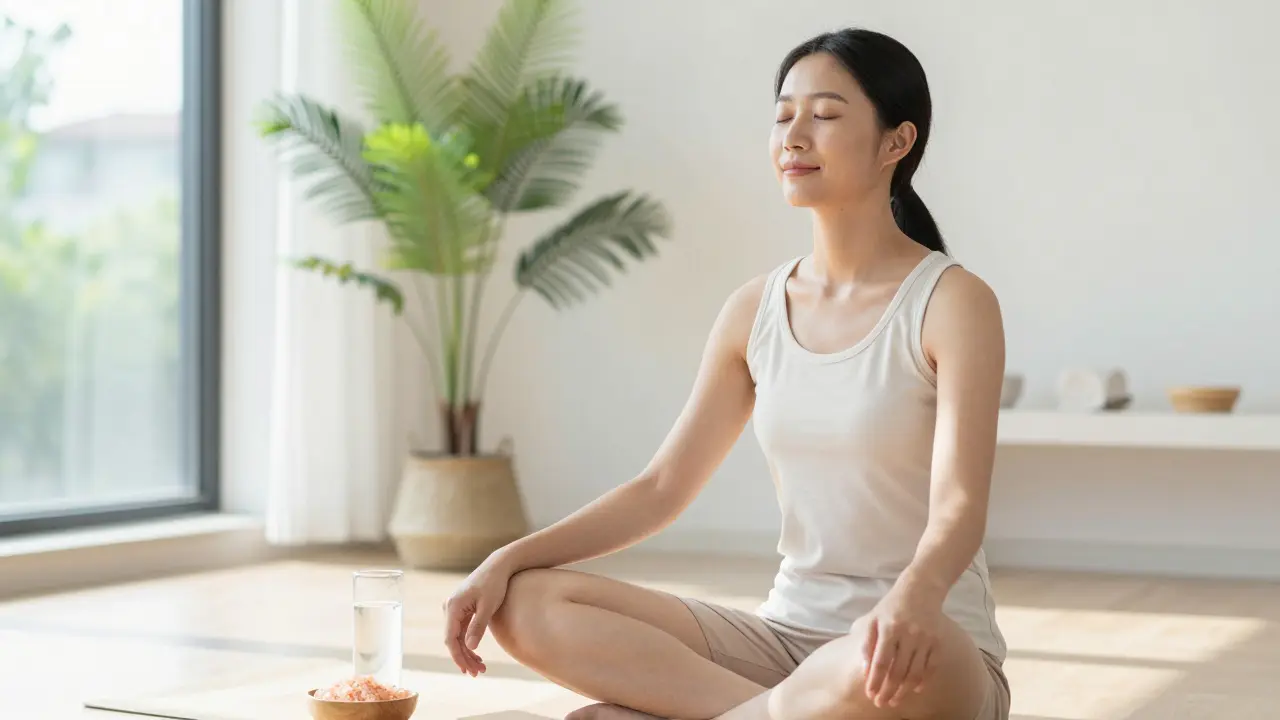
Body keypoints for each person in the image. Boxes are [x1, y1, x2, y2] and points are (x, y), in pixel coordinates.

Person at [442, 27, 1010, 720]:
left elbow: (958, 507)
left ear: (897, 141)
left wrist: (913, 599)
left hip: (920, 650)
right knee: (527, 602)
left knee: (873, 660)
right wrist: (505, 558)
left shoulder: (952, 302)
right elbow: (659, 488)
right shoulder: (754, 311)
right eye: (782, 115)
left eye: (825, 115)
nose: (794, 135)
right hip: (782, 641)